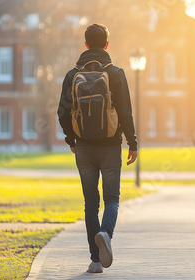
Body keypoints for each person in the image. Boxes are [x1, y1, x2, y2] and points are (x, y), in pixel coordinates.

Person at [57, 23, 138, 273]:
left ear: (85, 45)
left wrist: (72, 140)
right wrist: (132, 143)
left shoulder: (72, 75)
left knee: (90, 202)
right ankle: (106, 233)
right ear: (106, 44)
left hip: (84, 148)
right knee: (111, 198)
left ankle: (95, 260)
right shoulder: (115, 73)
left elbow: (62, 112)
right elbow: (125, 112)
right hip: (111, 146)